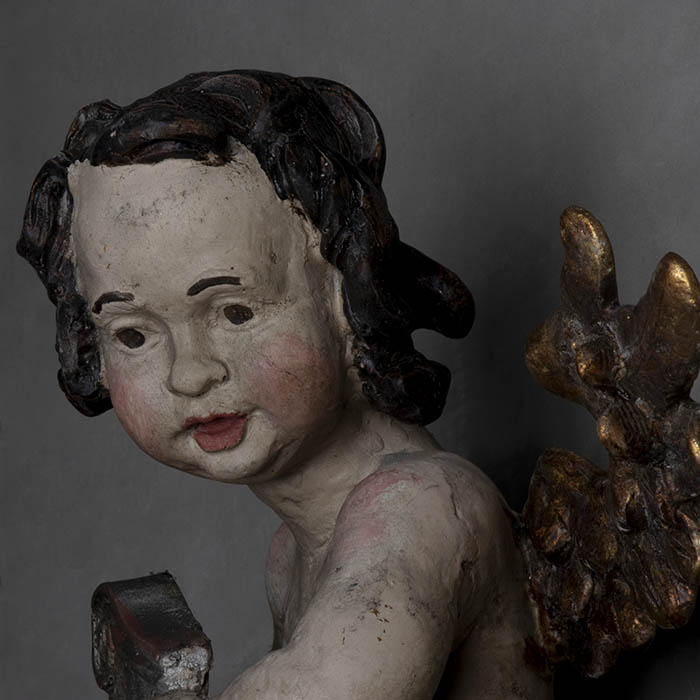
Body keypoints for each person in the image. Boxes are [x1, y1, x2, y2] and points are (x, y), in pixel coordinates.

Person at [21, 69, 700, 699]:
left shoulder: (421, 510)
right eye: (133, 335)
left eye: (234, 312)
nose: (189, 372)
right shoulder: (293, 551)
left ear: (348, 294)